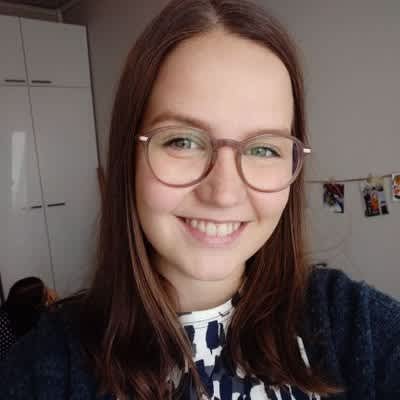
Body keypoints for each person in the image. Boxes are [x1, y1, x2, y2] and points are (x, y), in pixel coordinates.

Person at [1, 0, 399, 399]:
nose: (223, 193)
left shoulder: (347, 320)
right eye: (183, 141)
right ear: (129, 156)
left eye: (263, 149)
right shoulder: (48, 364)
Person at [0, 277, 57, 360]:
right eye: (45, 293)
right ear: (35, 307)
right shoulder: (26, 330)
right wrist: (54, 308)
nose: (49, 291)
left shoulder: (12, 308)